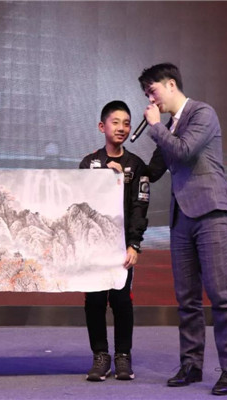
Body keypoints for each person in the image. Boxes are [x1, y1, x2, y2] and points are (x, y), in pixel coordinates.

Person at [138, 62, 227, 396]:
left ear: (171, 85)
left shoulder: (202, 113)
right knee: (187, 299)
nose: (150, 100)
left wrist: (156, 127)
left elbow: (183, 151)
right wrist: (121, 168)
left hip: (212, 213)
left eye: (152, 91)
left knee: (220, 295)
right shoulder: (169, 126)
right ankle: (191, 364)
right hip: (181, 218)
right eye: (147, 95)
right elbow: (153, 171)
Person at [79, 100, 149, 382]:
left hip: (122, 248)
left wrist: (134, 244)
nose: (121, 128)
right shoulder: (88, 164)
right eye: (115, 122)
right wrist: (105, 179)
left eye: (127, 123)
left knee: (121, 301)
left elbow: (139, 208)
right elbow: (80, 205)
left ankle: (122, 355)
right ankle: (100, 355)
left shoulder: (136, 165)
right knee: (95, 301)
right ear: (102, 126)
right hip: (94, 248)